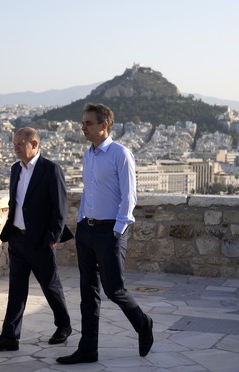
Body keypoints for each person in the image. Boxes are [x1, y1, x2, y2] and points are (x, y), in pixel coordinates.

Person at [57, 103, 153, 365]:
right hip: (87, 230)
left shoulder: (121, 154)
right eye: (83, 123)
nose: (83, 127)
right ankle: (88, 349)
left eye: (88, 123)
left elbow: (129, 196)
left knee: (114, 288)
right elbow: (89, 192)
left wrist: (117, 230)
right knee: (88, 292)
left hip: (111, 230)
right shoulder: (88, 155)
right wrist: (80, 223)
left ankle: (143, 323)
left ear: (104, 126)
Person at [0, 127, 73, 352]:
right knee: (17, 289)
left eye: (20, 144)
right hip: (17, 238)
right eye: (14, 144)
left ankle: (64, 325)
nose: (16, 148)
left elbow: (60, 209)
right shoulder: (15, 170)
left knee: (50, 286)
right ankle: (9, 337)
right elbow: (16, 202)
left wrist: (52, 239)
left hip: (40, 241)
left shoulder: (51, 170)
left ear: (35, 144)